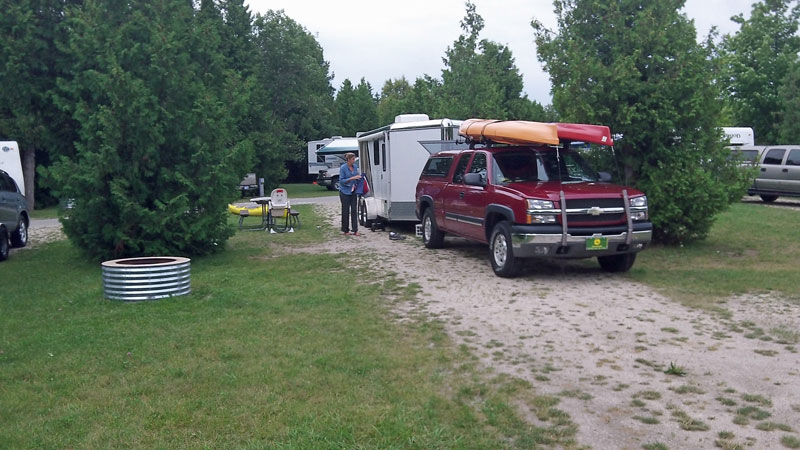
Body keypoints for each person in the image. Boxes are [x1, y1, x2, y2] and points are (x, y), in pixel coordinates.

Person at [338, 152, 361, 235]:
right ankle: (345, 230)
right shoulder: (343, 168)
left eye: (354, 159)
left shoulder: (355, 167)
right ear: (348, 159)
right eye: (352, 159)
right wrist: (352, 178)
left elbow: (357, 175)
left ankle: (355, 230)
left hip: (353, 191)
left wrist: (359, 178)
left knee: (354, 210)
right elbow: (341, 181)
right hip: (344, 191)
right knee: (345, 210)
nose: (354, 161)